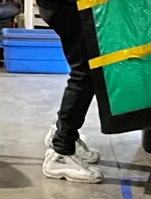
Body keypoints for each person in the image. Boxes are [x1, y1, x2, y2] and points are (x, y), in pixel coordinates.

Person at [38, 0, 104, 183]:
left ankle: (61, 132)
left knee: (86, 70)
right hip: (65, 5)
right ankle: (62, 150)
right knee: (85, 73)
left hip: (63, 5)